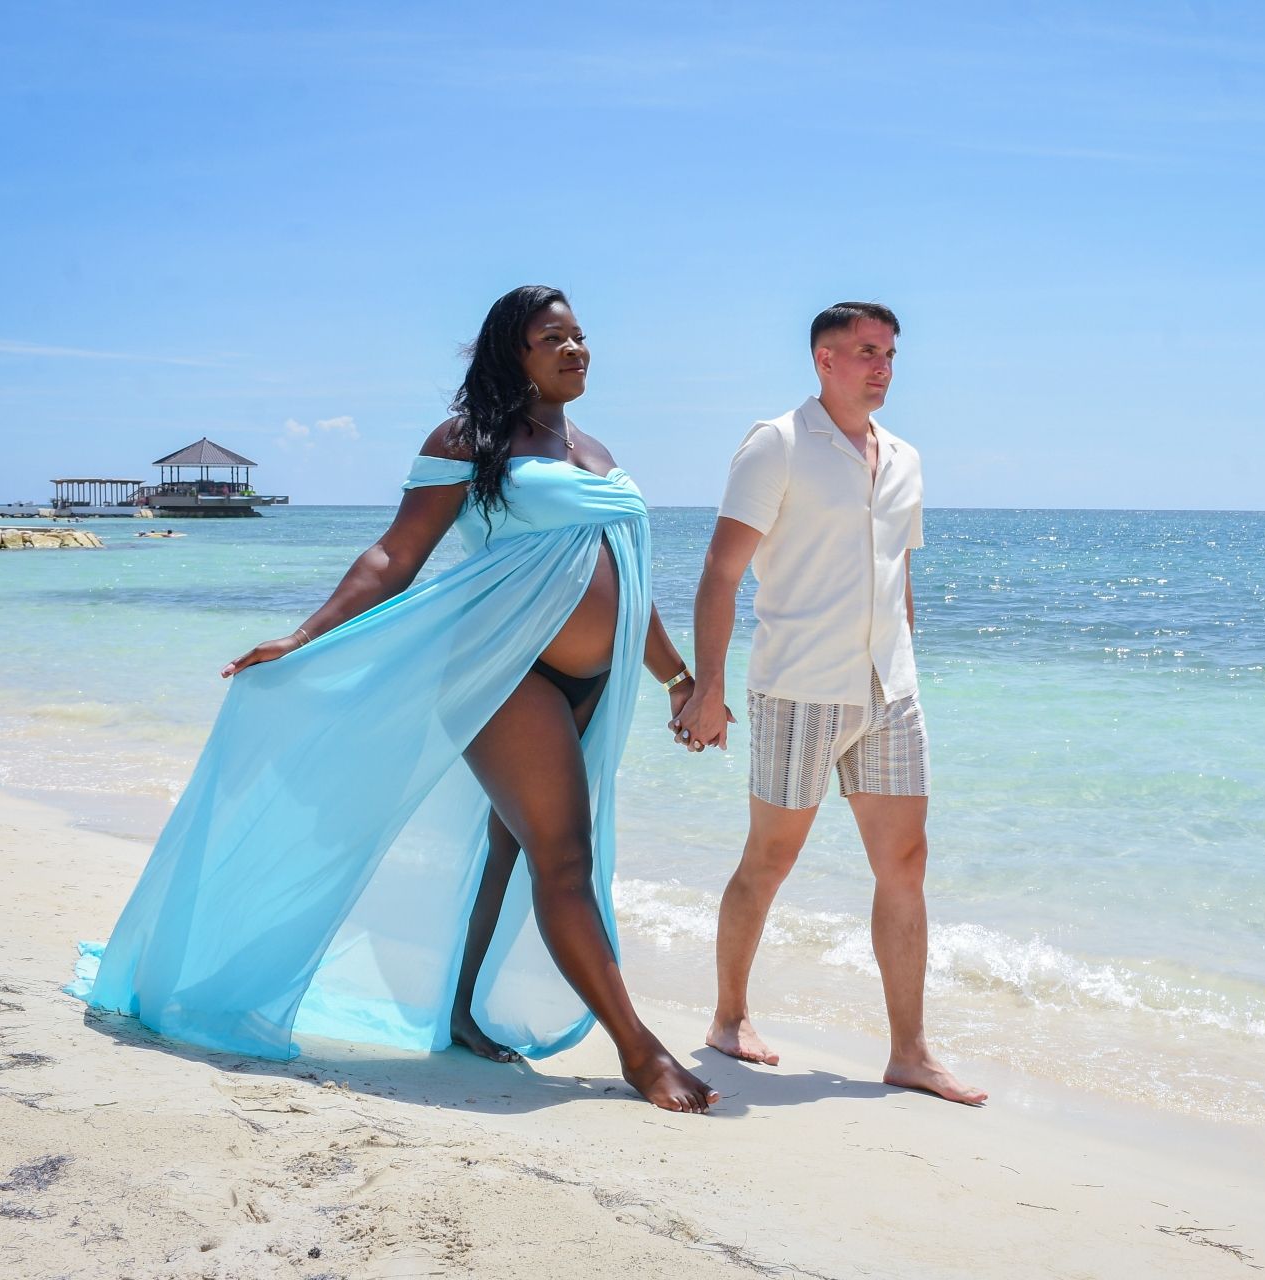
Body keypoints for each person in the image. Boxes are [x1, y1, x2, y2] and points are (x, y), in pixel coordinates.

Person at [71, 286, 718, 1113]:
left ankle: (461, 1015)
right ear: (511, 351)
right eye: (552, 337)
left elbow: (628, 578)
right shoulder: (469, 438)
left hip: (594, 679)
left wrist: (678, 678)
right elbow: (396, 555)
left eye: (579, 335)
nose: (574, 349)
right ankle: (641, 1051)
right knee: (564, 861)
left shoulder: (592, 447)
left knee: (510, 852)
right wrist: (305, 636)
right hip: (501, 670)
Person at [673, 301, 987, 1106]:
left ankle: (910, 1052)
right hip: (798, 688)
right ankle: (729, 1018)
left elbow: (897, 570)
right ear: (824, 360)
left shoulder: (905, 457)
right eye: (866, 351)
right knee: (770, 859)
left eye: (889, 354)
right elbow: (721, 573)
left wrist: (907, 663)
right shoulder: (777, 443)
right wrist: (708, 686)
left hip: (890, 691)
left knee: (906, 863)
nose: (882, 367)